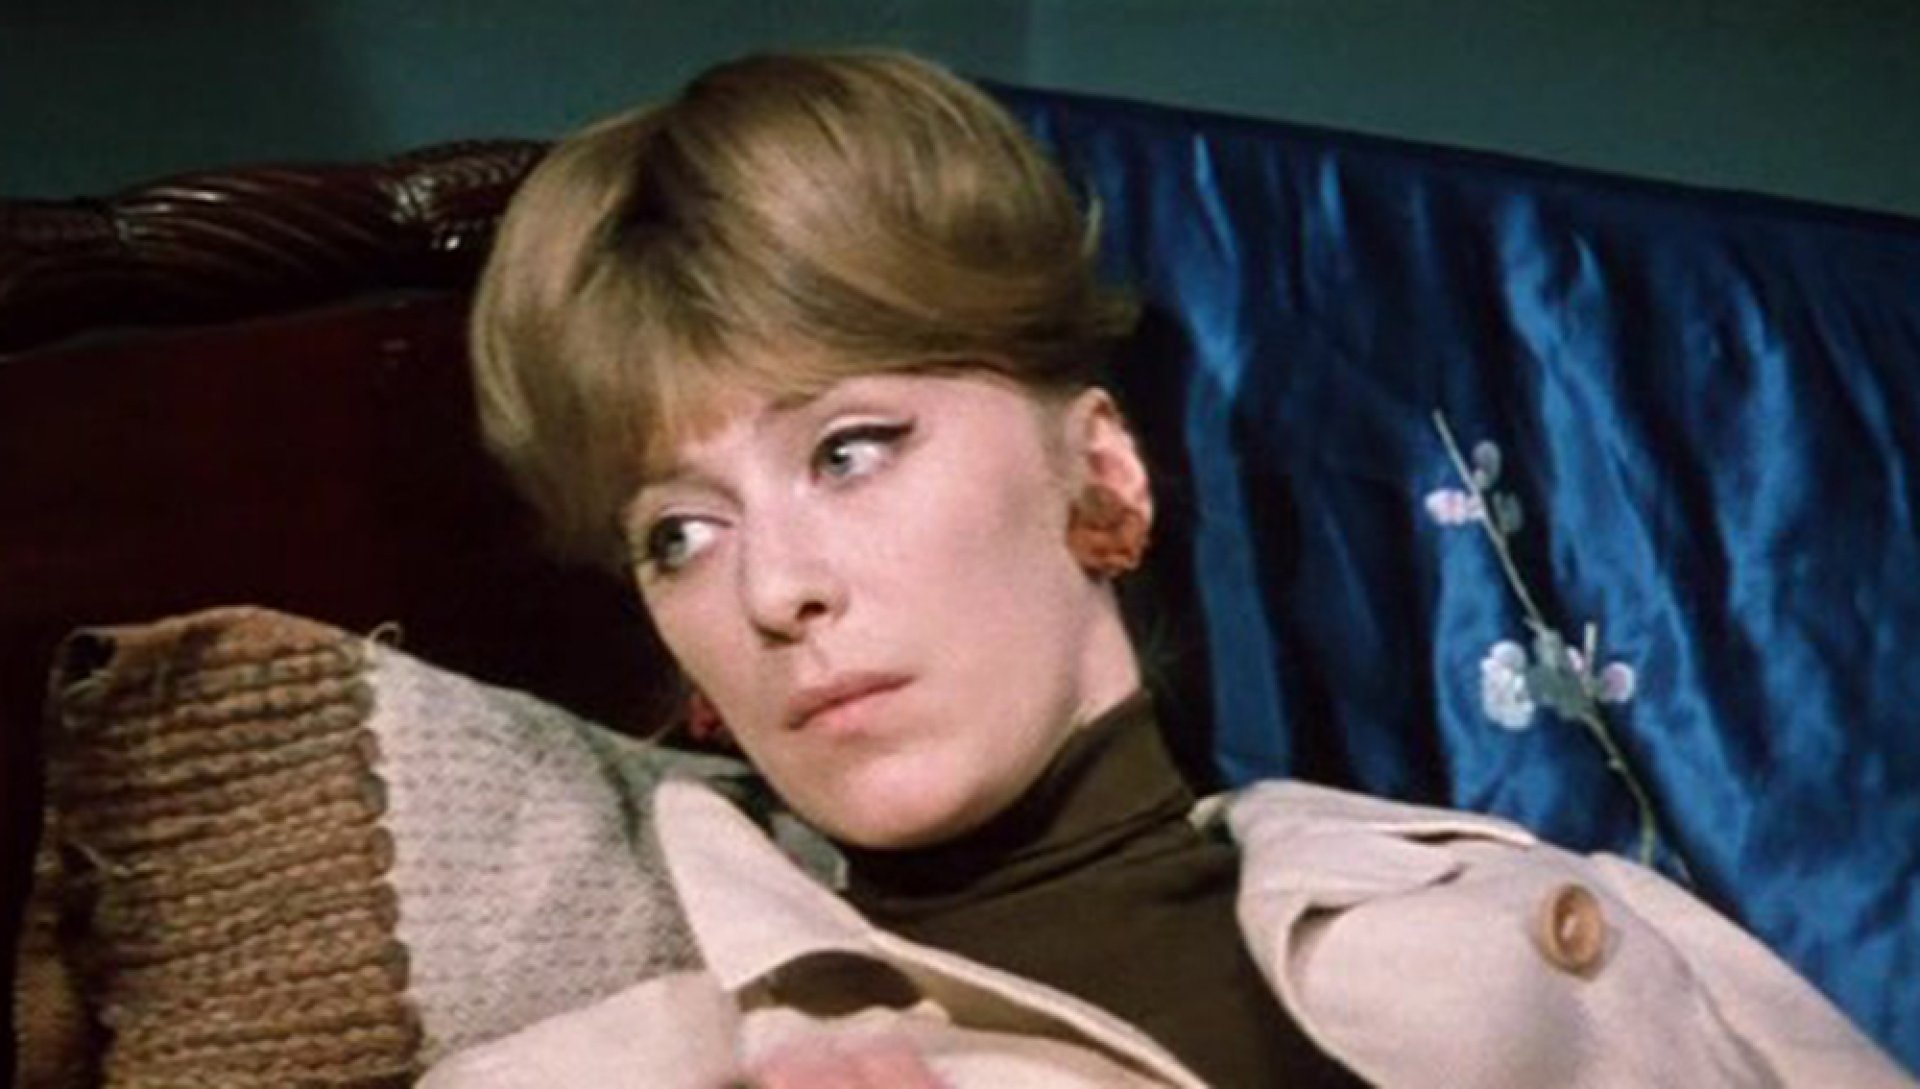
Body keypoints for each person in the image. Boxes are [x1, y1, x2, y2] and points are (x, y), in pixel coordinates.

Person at [431, 49, 1912, 1088]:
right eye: (678, 534)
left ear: (1105, 473)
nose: (772, 594)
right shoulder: (626, 1067)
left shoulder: (1528, 900)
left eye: (849, 450)